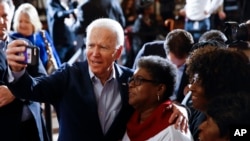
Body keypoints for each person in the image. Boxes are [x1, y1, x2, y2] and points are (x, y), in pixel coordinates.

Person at [6, 18, 188, 141]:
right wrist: (16, 70)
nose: (95, 54)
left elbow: (151, 101)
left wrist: (178, 108)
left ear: (118, 52)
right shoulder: (68, 75)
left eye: (103, 47)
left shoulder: (130, 80)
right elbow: (31, 88)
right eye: (91, 45)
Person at [0, 0, 50, 140]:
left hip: (34, 127)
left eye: (5, 15)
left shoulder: (25, 45)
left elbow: (43, 80)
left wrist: (15, 91)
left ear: (11, 14)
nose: (1, 21)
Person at [184, 45, 250, 140]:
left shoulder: (240, 123)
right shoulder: (200, 112)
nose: (191, 88)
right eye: (192, 81)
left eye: (198, 82)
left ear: (218, 84)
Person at [122, 55, 193, 141]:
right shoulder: (133, 119)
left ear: (160, 89)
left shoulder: (174, 129)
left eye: (138, 80)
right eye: (131, 79)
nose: (130, 85)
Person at [133, 29, 194, 103]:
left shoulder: (196, 60)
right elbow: (134, 81)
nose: (176, 67)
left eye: (181, 65)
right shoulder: (148, 51)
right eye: (173, 64)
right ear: (165, 51)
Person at [10, 3, 61, 74]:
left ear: (33, 22)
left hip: (47, 78)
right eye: (20, 21)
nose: (23, 25)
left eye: (27, 21)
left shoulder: (42, 35)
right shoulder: (12, 38)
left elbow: (55, 58)